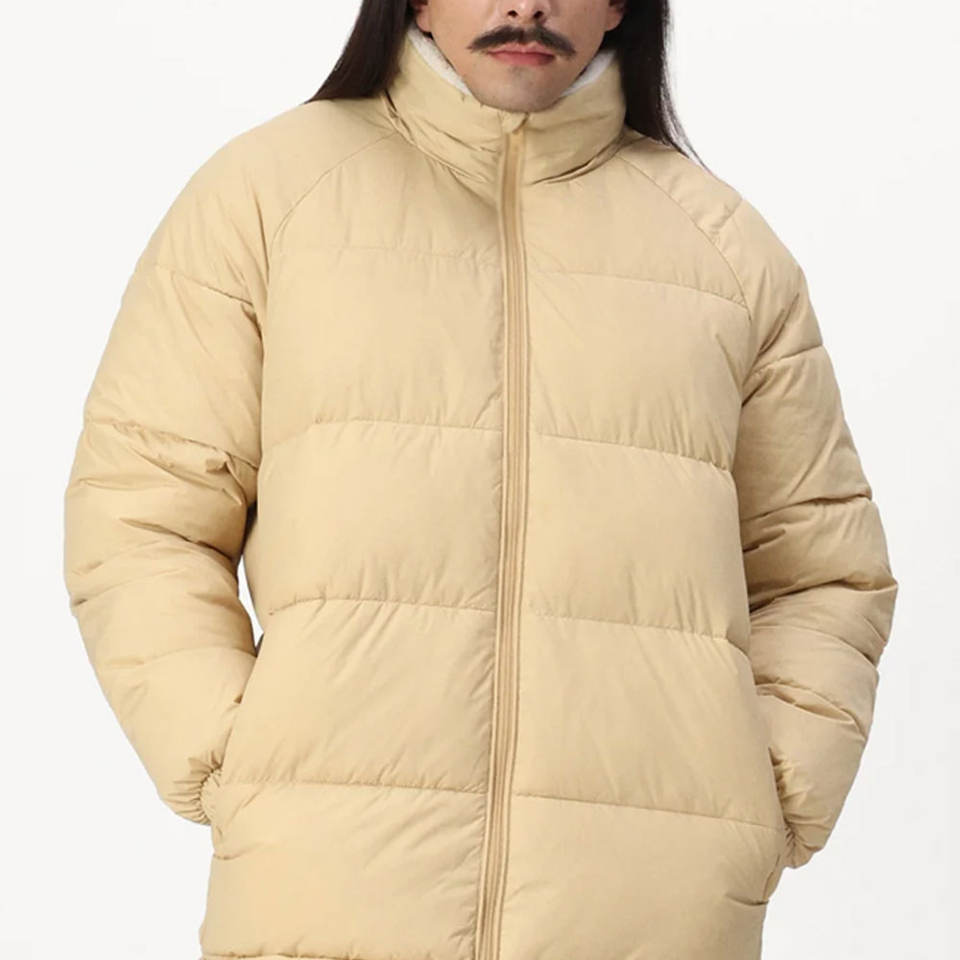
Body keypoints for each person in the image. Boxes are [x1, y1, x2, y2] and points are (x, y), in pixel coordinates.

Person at [62, 2, 899, 958]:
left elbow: (821, 571)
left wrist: (771, 793)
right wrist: (233, 756)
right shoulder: (268, 198)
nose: (525, 6)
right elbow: (142, 513)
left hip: (650, 913)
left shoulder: (725, 250)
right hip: (327, 892)